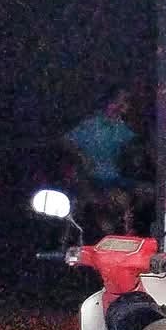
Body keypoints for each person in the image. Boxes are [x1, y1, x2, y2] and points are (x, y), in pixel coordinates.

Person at [65, 87, 139, 233]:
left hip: (116, 180)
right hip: (91, 180)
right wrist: (81, 156)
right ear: (110, 102)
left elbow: (136, 149)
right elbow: (66, 141)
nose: (126, 105)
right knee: (116, 202)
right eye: (122, 101)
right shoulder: (92, 125)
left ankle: (126, 234)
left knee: (145, 194)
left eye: (127, 102)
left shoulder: (124, 128)